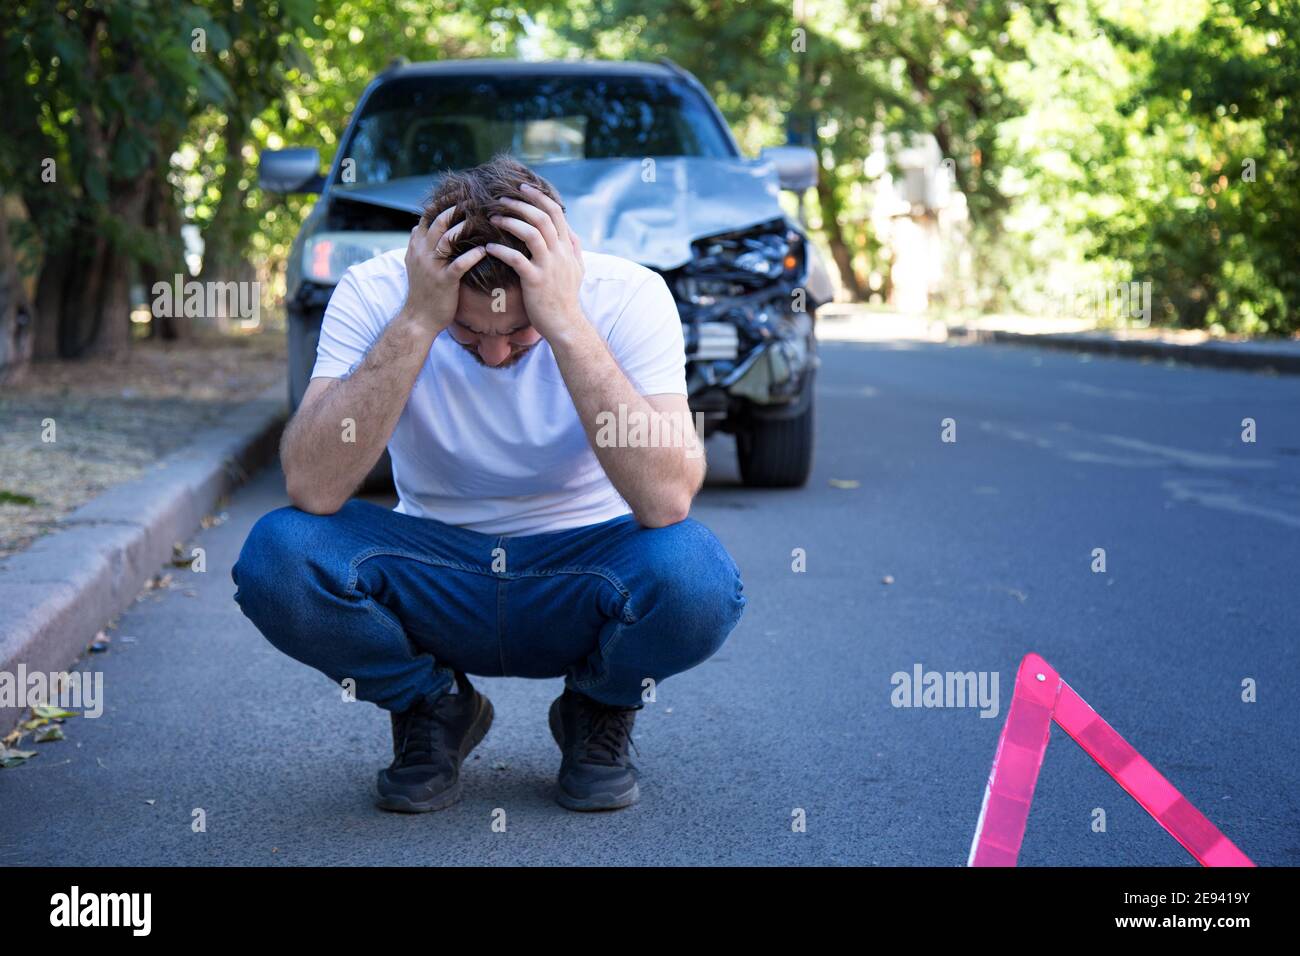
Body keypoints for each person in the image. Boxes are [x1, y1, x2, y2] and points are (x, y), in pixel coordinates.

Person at [232, 155, 745, 813]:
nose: (496, 353)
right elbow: (312, 485)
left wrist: (566, 324)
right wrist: (417, 322)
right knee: (278, 557)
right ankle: (433, 706)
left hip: (586, 574)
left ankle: (598, 707)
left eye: (519, 330)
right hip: (434, 574)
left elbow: (666, 497)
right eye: (469, 330)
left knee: (696, 577)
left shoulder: (630, 294)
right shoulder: (376, 292)